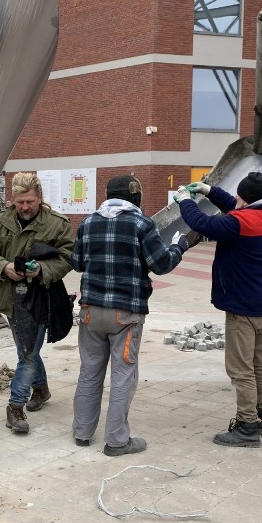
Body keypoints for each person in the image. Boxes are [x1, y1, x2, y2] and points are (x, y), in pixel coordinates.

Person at [72, 175, 188, 456]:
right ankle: (116, 441)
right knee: (123, 375)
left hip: (90, 312)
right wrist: (179, 246)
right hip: (125, 314)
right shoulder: (141, 224)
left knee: (89, 372)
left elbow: (76, 263)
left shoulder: (87, 223)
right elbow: (161, 265)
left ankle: (82, 433)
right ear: (136, 197)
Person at [173, 172, 262, 448]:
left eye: (239, 197)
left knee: (240, 368)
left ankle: (247, 427)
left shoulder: (240, 223)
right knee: (259, 359)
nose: (236, 200)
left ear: (248, 201)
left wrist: (185, 200)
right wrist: (210, 191)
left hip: (243, 306)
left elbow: (202, 223)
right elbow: (235, 208)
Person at [0, 172, 73, 433]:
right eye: (20, 202)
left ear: (40, 198)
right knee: (25, 349)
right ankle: (40, 388)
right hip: (10, 297)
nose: (25, 207)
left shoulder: (57, 224)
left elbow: (67, 258)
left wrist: (41, 268)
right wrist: (3, 266)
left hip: (41, 298)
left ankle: (15, 406)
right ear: (13, 200)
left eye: (30, 201)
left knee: (28, 354)